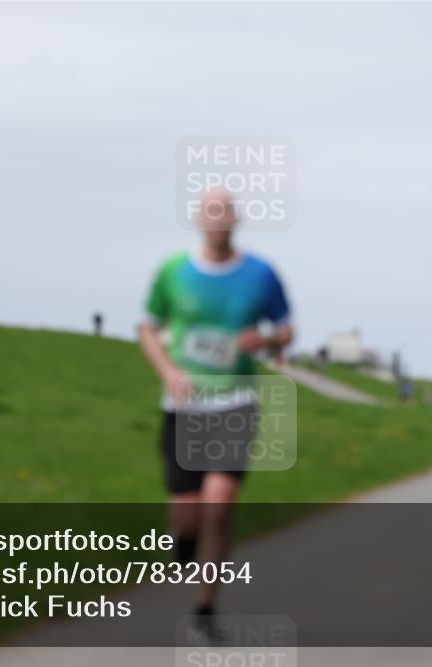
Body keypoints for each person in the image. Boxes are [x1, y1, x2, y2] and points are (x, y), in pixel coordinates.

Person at [138, 187, 293, 622]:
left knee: (220, 504)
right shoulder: (174, 272)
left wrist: (267, 339)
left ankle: (204, 607)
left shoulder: (261, 274)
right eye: (211, 211)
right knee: (188, 515)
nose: (218, 218)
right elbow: (148, 328)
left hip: (235, 400)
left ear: (236, 219)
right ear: (199, 219)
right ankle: (184, 547)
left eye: (225, 211)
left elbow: (286, 331)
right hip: (184, 405)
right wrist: (168, 371)